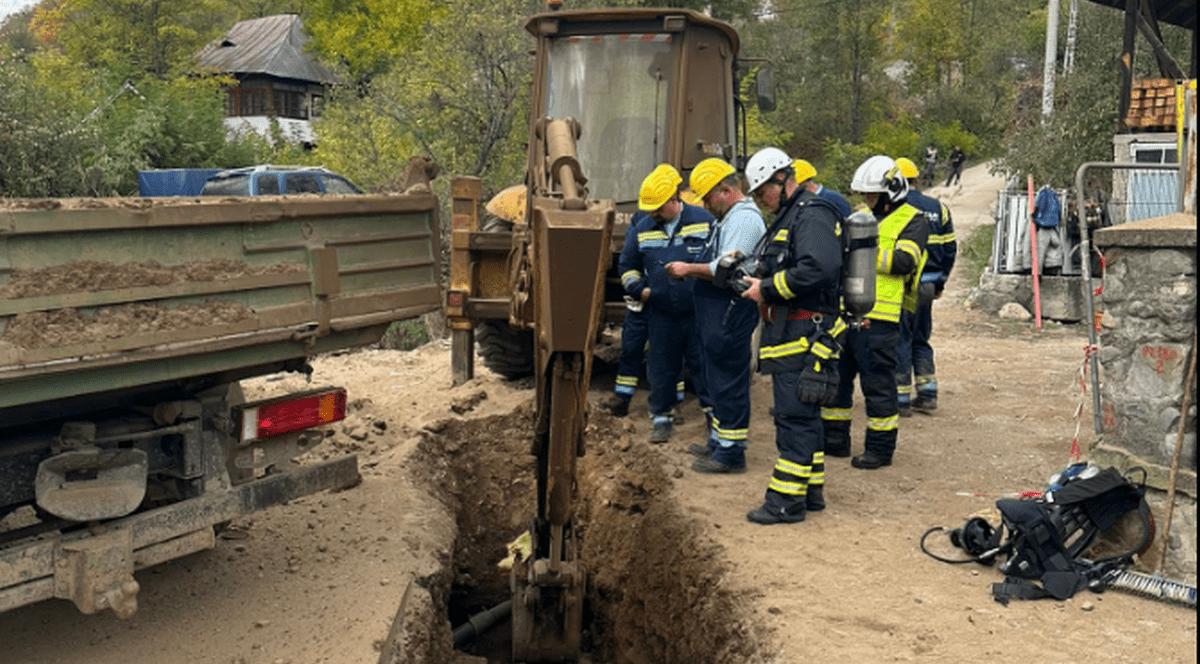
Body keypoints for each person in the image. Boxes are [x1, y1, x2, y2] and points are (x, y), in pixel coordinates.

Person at [737, 147, 845, 524]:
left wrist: (766, 289)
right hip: (791, 329)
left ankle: (785, 503)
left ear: (781, 180)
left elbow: (819, 269)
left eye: (761, 191)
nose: (759, 201)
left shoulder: (812, 214)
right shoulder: (789, 216)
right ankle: (811, 492)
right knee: (804, 415)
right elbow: (783, 264)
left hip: (804, 330)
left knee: (794, 417)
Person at [822, 155, 928, 470]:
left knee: (878, 385)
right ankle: (834, 441)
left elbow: (905, 262)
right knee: (837, 380)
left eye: (872, 195)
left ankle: (880, 449)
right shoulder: (863, 218)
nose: (867, 200)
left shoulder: (914, 219)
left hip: (881, 318)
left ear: (891, 192)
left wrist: (863, 251)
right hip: (847, 314)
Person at [664, 158, 764, 473]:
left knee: (729, 381)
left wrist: (688, 269)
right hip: (716, 315)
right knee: (716, 379)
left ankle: (731, 454)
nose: (705, 206)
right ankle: (719, 442)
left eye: (708, 198)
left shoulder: (744, 220)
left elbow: (726, 266)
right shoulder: (728, 218)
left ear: (725, 190)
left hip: (729, 313)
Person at [621, 163, 714, 444]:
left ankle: (713, 418)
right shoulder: (644, 226)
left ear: (674, 201)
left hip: (698, 311)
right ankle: (661, 419)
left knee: (704, 366)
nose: (653, 214)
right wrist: (640, 290)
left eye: (658, 208)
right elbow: (627, 265)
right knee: (661, 367)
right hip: (661, 312)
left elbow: (719, 262)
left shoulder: (704, 220)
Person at [894, 157, 956, 416]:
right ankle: (928, 393)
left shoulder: (895, 207)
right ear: (917, 180)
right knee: (921, 338)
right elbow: (950, 248)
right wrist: (940, 281)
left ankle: (900, 400)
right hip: (929, 285)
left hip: (902, 285)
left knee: (899, 337)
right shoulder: (937, 207)